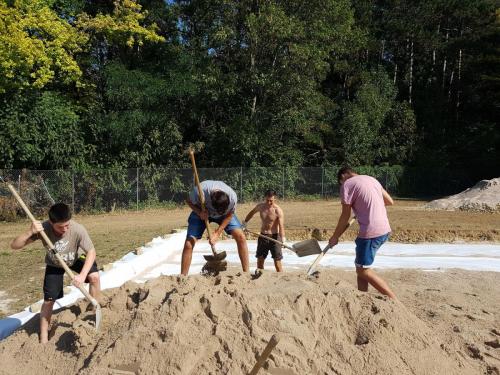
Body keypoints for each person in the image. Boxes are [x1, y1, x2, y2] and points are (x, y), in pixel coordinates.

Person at [10, 203, 101, 344]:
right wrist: (30, 232)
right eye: (60, 227)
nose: (65, 229)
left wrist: (82, 275)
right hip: (55, 263)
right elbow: (15, 246)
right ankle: (44, 338)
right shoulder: (43, 229)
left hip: (76, 258)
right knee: (49, 301)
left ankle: (92, 310)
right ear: (51, 222)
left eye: (67, 225)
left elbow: (91, 252)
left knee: (94, 277)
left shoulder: (77, 229)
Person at [328, 167, 396, 299]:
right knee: (361, 265)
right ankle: (362, 298)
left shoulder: (347, 184)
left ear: (343, 177)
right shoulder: (372, 179)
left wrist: (335, 237)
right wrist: (365, 208)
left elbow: (345, 215)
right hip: (385, 230)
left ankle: (394, 301)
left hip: (371, 232)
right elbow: (389, 201)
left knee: (362, 270)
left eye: (340, 183)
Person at [182, 180, 249, 275]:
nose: (218, 214)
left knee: (241, 237)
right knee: (189, 243)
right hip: (202, 212)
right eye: (218, 211)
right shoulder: (200, 191)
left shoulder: (232, 197)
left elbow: (230, 214)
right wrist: (199, 212)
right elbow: (188, 200)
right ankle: (182, 278)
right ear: (212, 202)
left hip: (226, 215)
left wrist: (217, 233)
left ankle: (246, 274)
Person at [243, 190, 285, 272]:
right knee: (260, 260)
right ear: (265, 198)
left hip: (275, 238)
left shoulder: (278, 210)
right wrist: (245, 223)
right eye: (267, 200)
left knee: (277, 262)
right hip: (263, 236)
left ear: (274, 199)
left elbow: (281, 226)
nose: (269, 202)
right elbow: (251, 213)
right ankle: (259, 278)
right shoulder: (261, 207)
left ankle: (281, 279)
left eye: (271, 201)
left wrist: (283, 238)